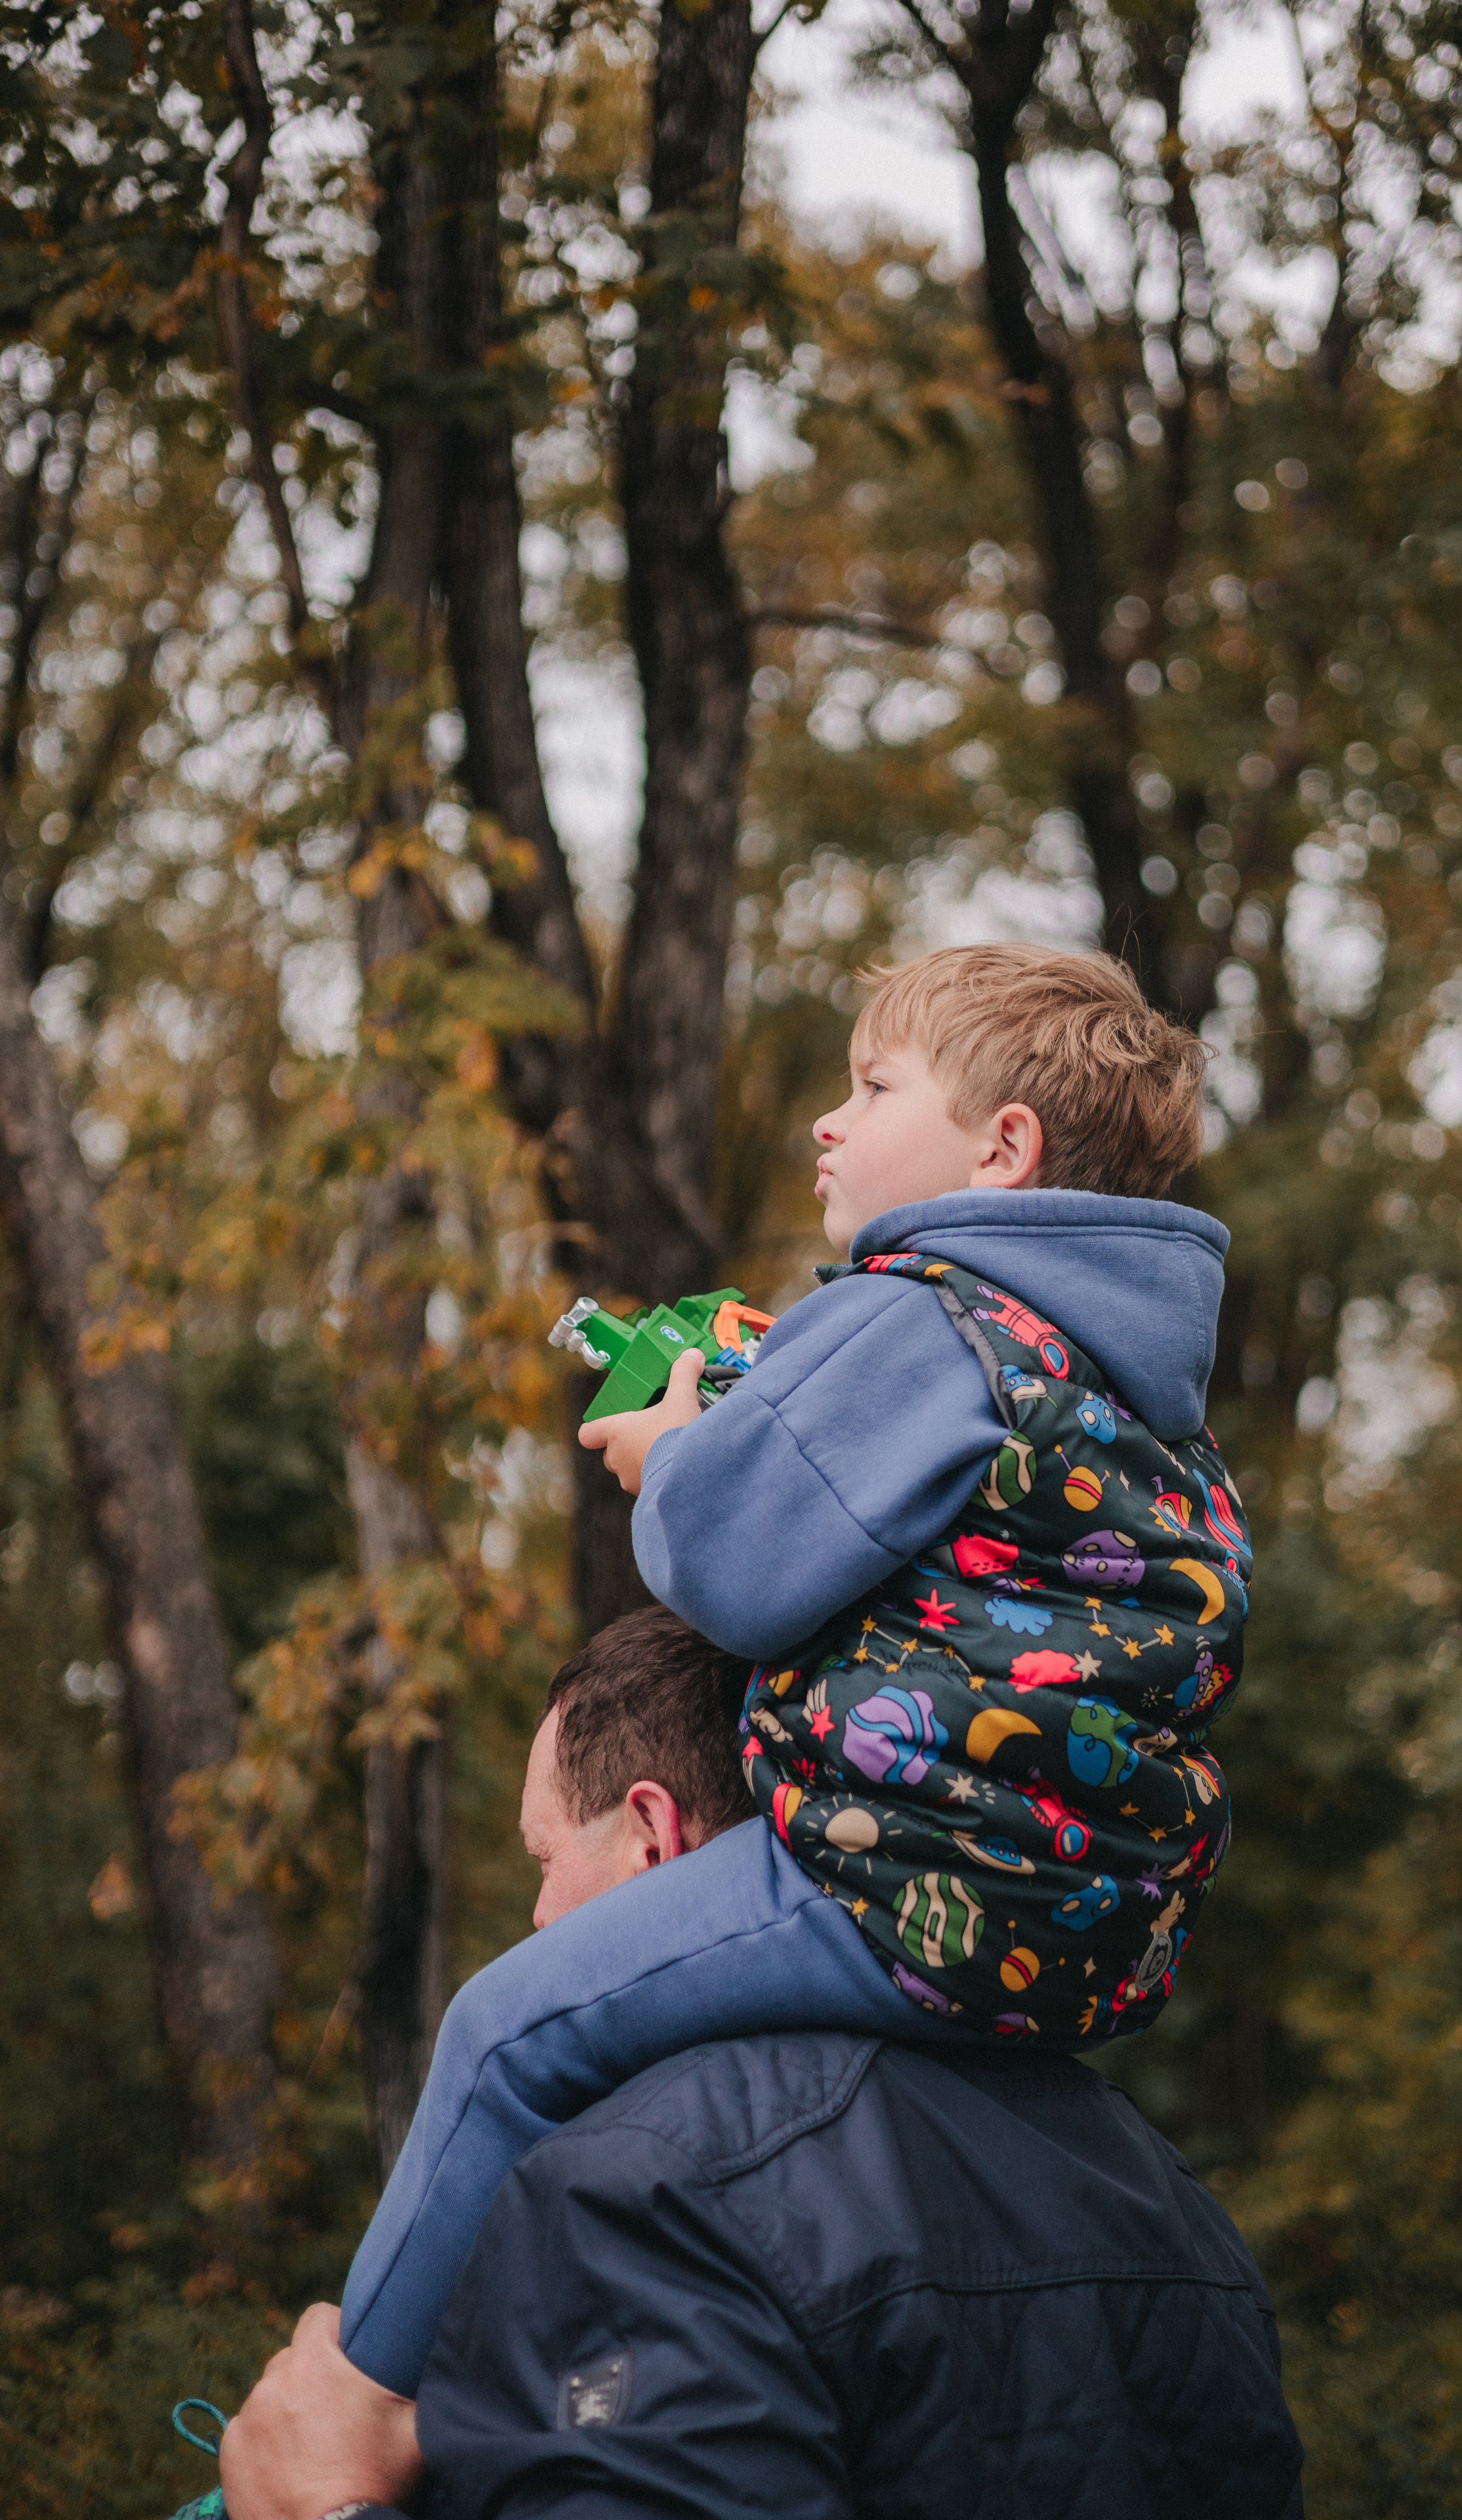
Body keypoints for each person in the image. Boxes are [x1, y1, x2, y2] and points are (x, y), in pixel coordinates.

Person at [337, 942, 1253, 2400]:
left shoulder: (916, 1308)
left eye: (871, 1084)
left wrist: (671, 1456)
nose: (828, 1121)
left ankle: (357, 2403)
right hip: (1096, 1935)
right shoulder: (1144, 1407)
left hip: (895, 1877)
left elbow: (732, 1574)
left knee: (502, 2031)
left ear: (1001, 1150)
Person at [220, 1626, 1303, 2520]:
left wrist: (329, 2508)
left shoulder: (635, 2194)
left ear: (653, 1835)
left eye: (544, 1860)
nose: (539, 1919)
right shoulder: (1167, 2195)